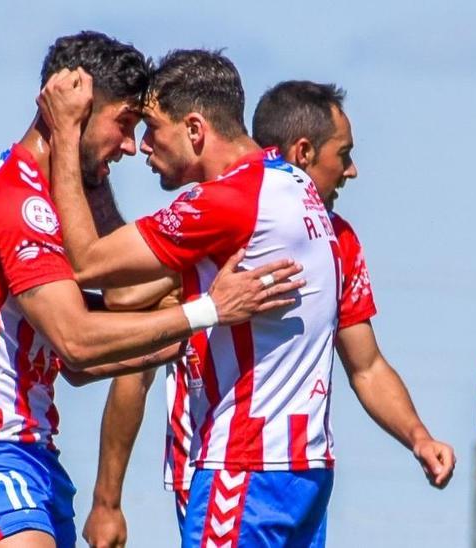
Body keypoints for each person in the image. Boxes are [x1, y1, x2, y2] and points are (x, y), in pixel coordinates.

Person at [0, 32, 305, 548]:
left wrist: (188, 325)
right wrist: (209, 310)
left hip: (32, 449)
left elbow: (87, 349)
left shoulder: (48, 197)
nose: (129, 145)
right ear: (73, 112)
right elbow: (77, 340)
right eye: (123, 124)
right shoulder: (15, 200)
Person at [81, 79, 456, 547]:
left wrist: (418, 437)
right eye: (344, 153)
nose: (352, 170)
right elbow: (128, 328)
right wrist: (108, 499)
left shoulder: (335, 240)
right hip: (224, 468)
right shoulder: (226, 224)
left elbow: (367, 365)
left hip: (291, 471)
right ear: (301, 152)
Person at [41, 48, 348, 548]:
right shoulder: (292, 185)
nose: (142, 147)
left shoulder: (226, 202)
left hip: (245, 465)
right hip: (305, 465)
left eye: (153, 130)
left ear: (194, 129)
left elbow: (86, 262)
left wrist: (70, 135)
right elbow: (127, 297)